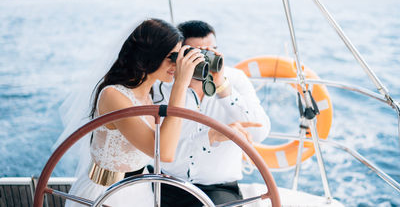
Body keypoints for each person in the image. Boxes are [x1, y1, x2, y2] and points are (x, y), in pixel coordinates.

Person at [62, 18, 205, 207]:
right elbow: (164, 152)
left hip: (138, 190)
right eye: (172, 57)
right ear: (149, 56)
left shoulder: (149, 93)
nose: (176, 64)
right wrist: (180, 83)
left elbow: (177, 130)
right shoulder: (113, 96)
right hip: (106, 194)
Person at [153, 20, 271, 206]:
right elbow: (158, 149)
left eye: (211, 51)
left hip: (220, 187)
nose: (206, 59)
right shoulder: (162, 86)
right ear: (180, 55)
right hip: (168, 182)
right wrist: (211, 136)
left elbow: (259, 132)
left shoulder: (235, 79)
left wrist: (223, 88)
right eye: (198, 54)